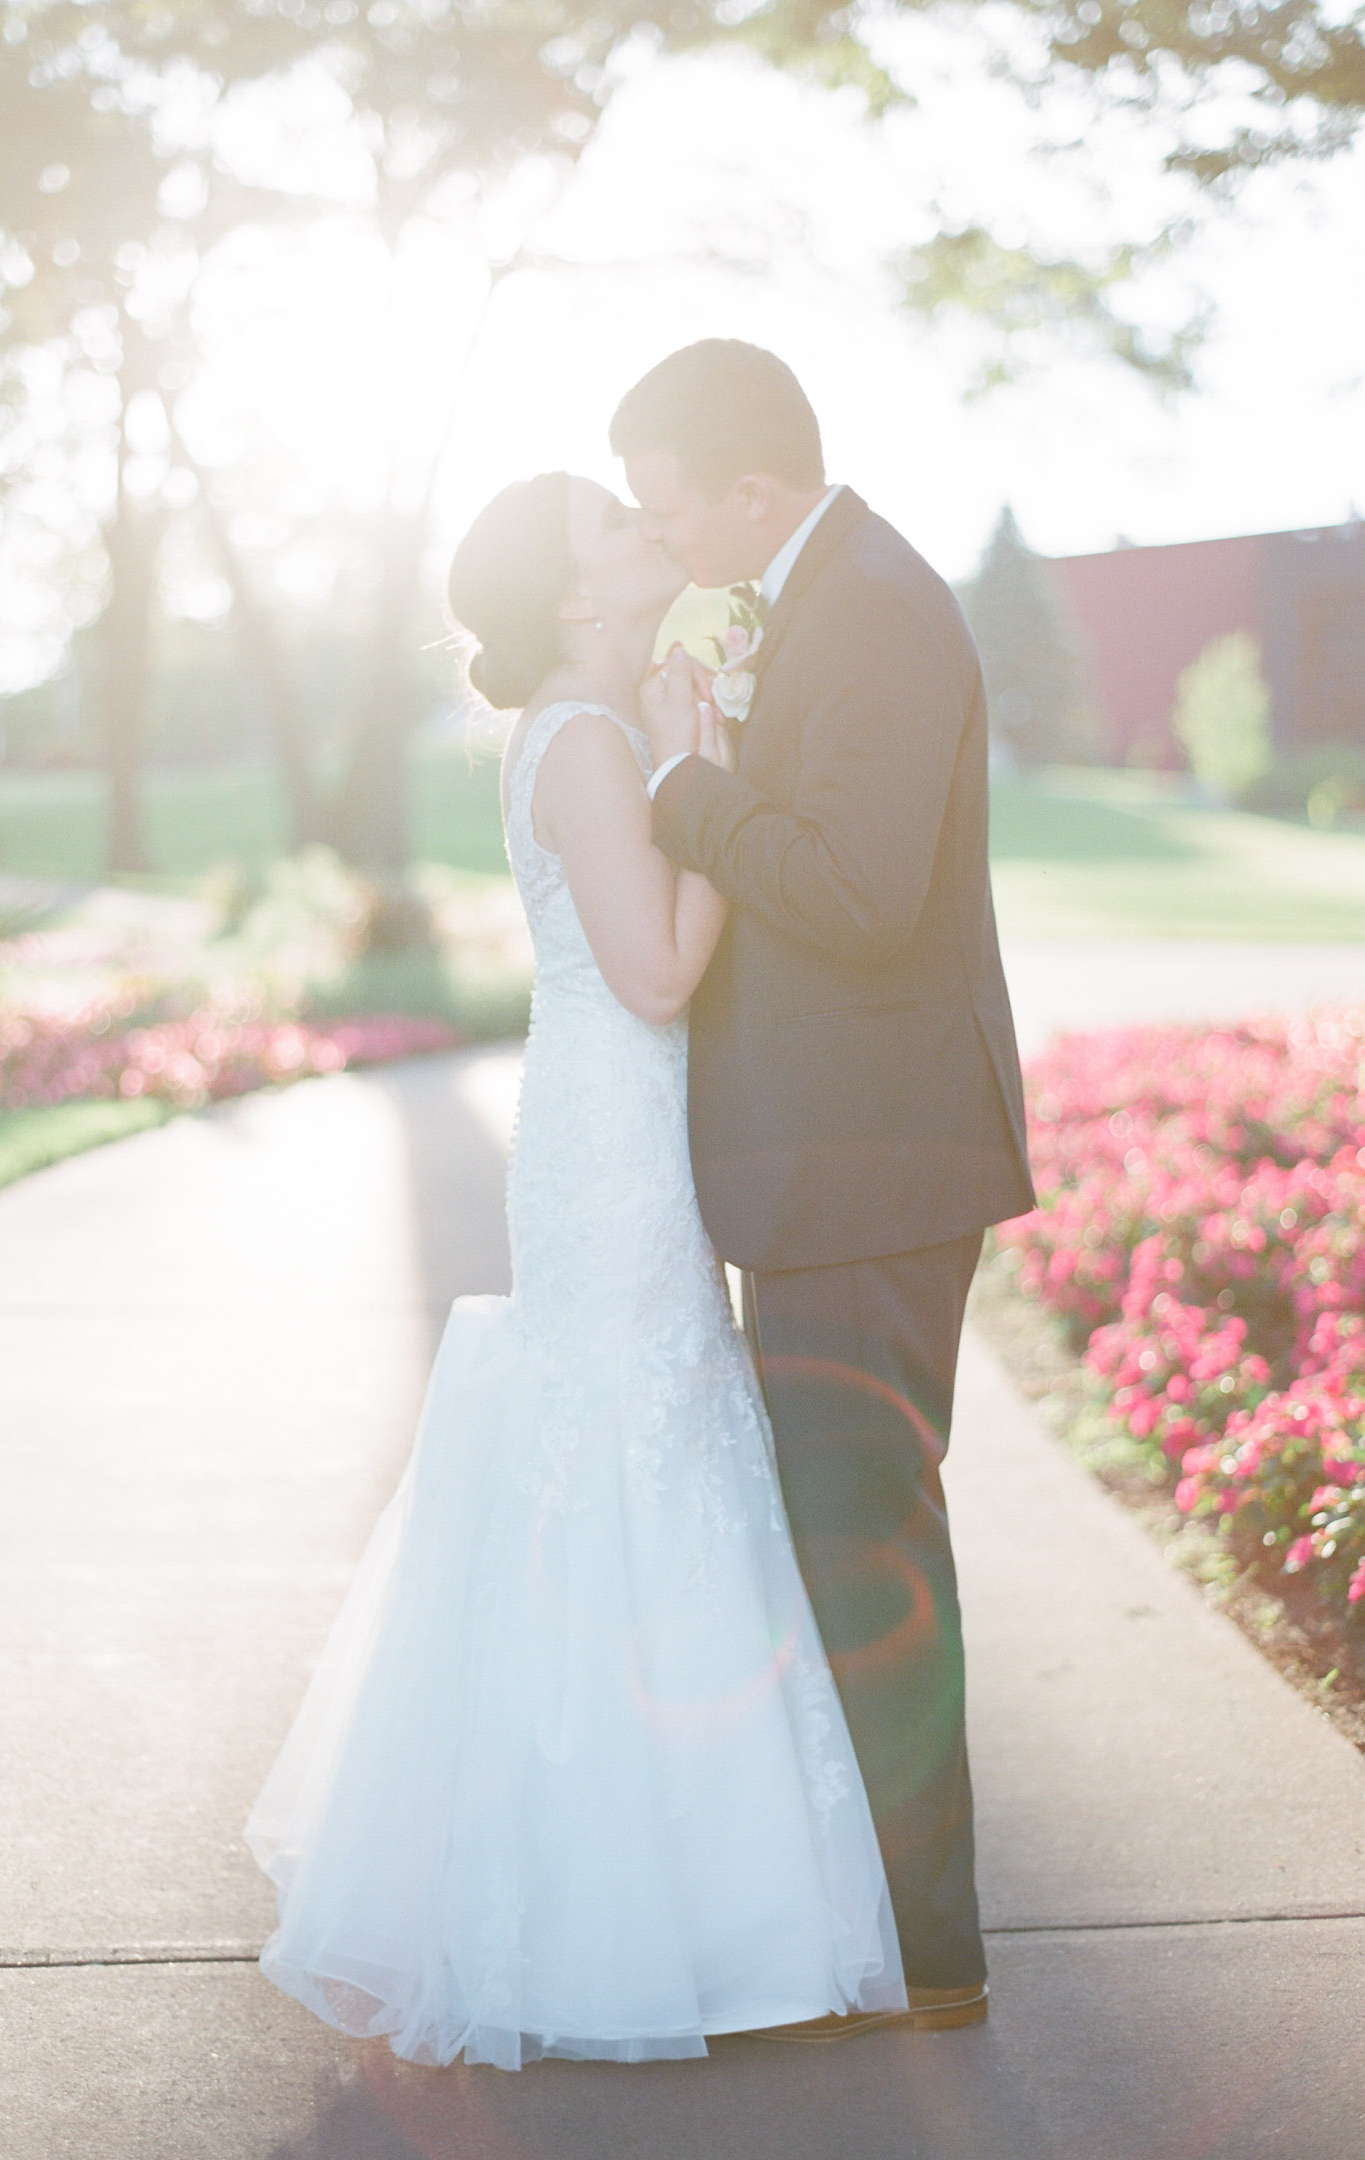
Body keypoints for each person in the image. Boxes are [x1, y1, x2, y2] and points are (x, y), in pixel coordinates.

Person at [245, 469, 906, 2070]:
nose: (646, 537)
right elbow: (661, 972)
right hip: (613, 1145)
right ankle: (643, 1912)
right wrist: (713, 775)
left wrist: (691, 757)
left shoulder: (576, 725)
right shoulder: (597, 744)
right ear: (573, 595)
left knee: (648, 1453)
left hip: (608, 1134)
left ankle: (679, 1898)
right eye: (617, 528)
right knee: (636, 1453)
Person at [610, 339, 1036, 2035]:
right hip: (832, 1154)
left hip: (870, 1158)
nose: (660, 544)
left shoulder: (869, 603)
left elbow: (860, 895)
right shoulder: (810, 591)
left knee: (867, 1544)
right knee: (838, 1533)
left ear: (754, 489)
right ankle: (873, 1914)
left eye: (670, 511)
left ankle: (930, 1952)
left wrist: (683, 792)